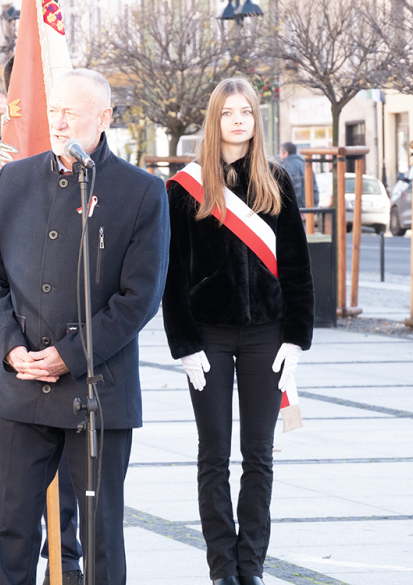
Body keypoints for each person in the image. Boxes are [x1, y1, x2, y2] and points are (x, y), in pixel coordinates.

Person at [0, 69, 170, 585]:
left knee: (101, 535)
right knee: (8, 527)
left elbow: (139, 298)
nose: (58, 121)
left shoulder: (142, 192)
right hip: (19, 383)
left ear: (104, 118)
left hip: (97, 389)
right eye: (53, 109)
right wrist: (11, 350)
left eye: (71, 112)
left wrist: (72, 355)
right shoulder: (11, 181)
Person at [162, 78, 314, 585]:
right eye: (228, 112)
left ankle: (251, 566)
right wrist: (183, 344)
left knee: (259, 456)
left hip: (267, 336)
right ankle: (221, 568)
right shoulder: (184, 188)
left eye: (246, 110)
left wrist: (296, 337)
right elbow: (172, 276)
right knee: (213, 456)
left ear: (256, 119)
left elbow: (296, 265)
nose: (238, 120)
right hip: (208, 337)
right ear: (215, 120)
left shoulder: (276, 181)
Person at [0, 57, 84, 585]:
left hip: (68, 343)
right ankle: (0, 567)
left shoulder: (80, 165)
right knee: (8, 474)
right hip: (6, 337)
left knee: (72, 470)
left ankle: (65, 562)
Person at [279, 141, 318, 208]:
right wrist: (314, 207)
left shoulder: (284, 166)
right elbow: (314, 188)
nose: (279, 155)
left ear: (286, 153)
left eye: (280, 153)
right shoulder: (306, 164)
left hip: (293, 211)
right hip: (308, 211)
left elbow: (287, 190)